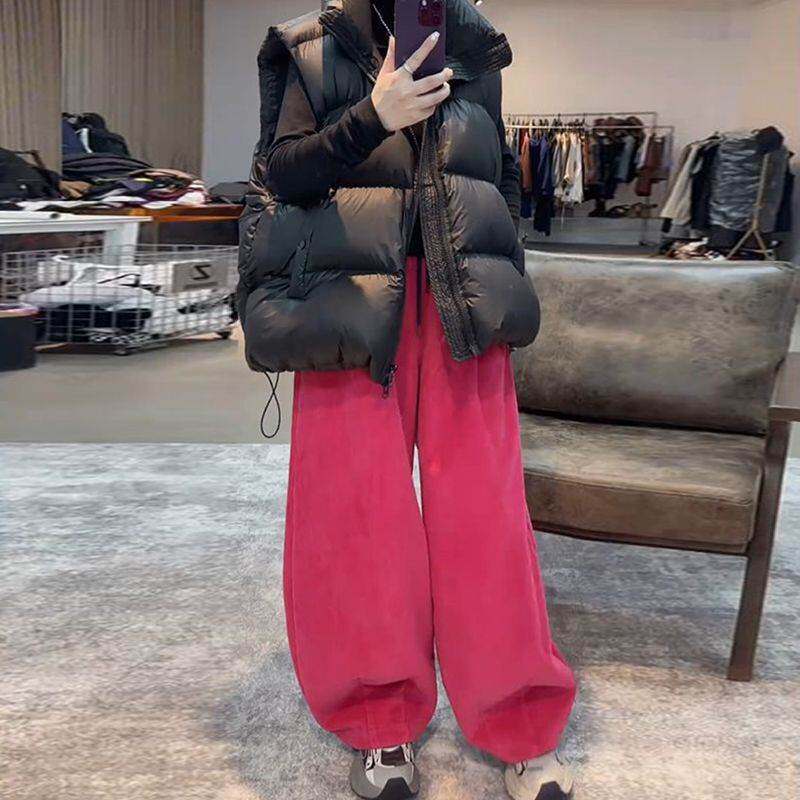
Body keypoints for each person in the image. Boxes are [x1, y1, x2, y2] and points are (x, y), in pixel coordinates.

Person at [236, 2, 577, 798]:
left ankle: (519, 719)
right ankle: (379, 716)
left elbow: (498, 181)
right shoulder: (311, 47)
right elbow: (281, 174)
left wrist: (503, 281)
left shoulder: (476, 47)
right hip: (350, 301)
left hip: (464, 305)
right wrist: (373, 117)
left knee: (486, 519)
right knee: (356, 517)